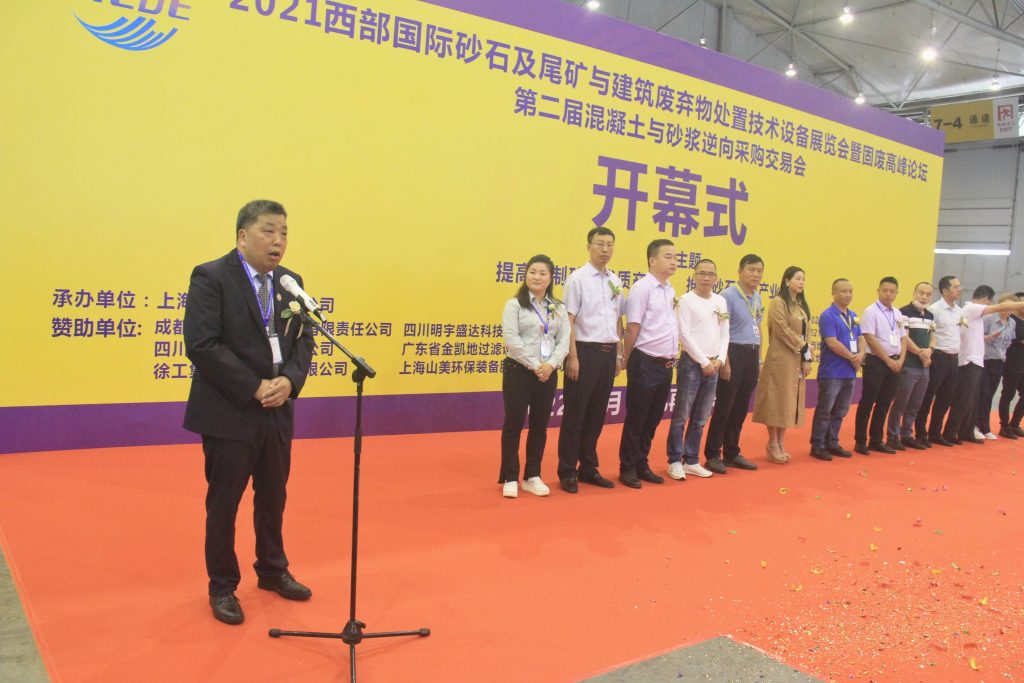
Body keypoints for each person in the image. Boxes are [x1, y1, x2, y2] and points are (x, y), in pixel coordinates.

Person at [183, 200, 315, 626]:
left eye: (284, 232)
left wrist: (289, 381)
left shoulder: (291, 283)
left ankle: (273, 570)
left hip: (277, 409)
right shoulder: (211, 277)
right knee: (225, 503)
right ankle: (222, 585)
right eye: (268, 231)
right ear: (243, 236)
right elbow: (202, 345)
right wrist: (253, 386)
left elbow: (304, 339)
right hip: (230, 411)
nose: (278, 241)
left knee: (274, 495)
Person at [557, 227, 625, 493]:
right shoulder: (578, 279)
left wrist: (618, 354)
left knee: (597, 414)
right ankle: (567, 470)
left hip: (608, 354)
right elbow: (568, 320)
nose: (605, 249)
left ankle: (588, 467)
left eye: (610, 244)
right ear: (589, 246)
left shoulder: (615, 280)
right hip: (584, 352)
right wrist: (572, 356)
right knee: (575, 414)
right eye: (600, 244)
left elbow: (617, 320)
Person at [499, 255, 571, 498]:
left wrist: (550, 365)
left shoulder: (558, 308)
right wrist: (535, 365)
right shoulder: (514, 305)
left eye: (542, 273)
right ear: (525, 275)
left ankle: (532, 476)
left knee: (540, 426)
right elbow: (512, 340)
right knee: (513, 424)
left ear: (550, 278)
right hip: (519, 371)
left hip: (547, 374)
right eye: (532, 272)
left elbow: (563, 341)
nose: (536, 277)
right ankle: (510, 477)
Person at [617, 240, 678, 488]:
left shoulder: (670, 289)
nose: (674, 261)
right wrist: (626, 357)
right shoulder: (642, 288)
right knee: (637, 418)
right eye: (668, 256)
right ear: (652, 260)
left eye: (675, 257)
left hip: (666, 364)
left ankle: (642, 463)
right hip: (645, 361)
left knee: (652, 419)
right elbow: (633, 327)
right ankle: (627, 467)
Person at [666, 258, 730, 479]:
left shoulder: (720, 301)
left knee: (701, 416)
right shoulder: (685, 300)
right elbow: (683, 334)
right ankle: (675, 460)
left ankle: (691, 459)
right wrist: (703, 361)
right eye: (701, 273)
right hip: (692, 363)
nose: (706, 278)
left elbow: (725, 333)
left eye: (710, 274)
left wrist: (720, 359)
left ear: (716, 278)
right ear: (694, 276)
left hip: (714, 364)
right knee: (682, 415)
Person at [703, 254, 764, 474]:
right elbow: (720, 331)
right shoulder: (727, 296)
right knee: (725, 406)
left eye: (759, 271)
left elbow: (758, 328)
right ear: (740, 271)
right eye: (751, 270)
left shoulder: (757, 298)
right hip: (733, 352)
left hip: (752, 354)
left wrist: (759, 359)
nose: (755, 275)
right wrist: (725, 361)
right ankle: (713, 454)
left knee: (740, 407)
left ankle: (732, 452)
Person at [946, 285, 1024, 443]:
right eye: (990, 302)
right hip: (970, 360)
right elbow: (1000, 307)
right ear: (985, 299)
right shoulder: (973, 308)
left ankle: (967, 430)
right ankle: (952, 432)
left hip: (980, 360)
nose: (990, 306)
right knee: (964, 399)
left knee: (974, 399)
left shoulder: (976, 313)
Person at [752, 266, 812, 464]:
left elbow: (807, 335)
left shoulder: (801, 306)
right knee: (777, 401)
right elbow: (782, 329)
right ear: (787, 281)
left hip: (797, 359)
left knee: (788, 401)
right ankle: (772, 443)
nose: (801, 282)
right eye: (797, 278)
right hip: (780, 358)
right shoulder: (778, 302)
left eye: (803, 279)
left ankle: (780, 442)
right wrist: (802, 346)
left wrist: (807, 358)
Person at [809, 278, 863, 461]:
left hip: (850, 371)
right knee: (825, 410)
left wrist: (861, 354)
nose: (848, 295)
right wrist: (852, 357)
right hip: (832, 372)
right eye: (843, 291)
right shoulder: (828, 315)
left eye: (850, 291)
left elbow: (860, 338)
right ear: (833, 293)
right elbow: (832, 343)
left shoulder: (853, 316)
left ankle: (832, 442)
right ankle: (818, 445)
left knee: (841, 410)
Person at [854, 277, 907, 455]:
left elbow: (903, 338)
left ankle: (876, 440)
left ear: (896, 293)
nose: (888, 294)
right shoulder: (871, 311)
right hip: (876, 361)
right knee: (868, 401)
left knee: (885, 402)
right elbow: (870, 338)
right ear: (878, 291)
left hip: (894, 362)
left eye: (892, 291)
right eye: (885, 290)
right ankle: (860, 441)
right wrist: (887, 360)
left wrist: (900, 360)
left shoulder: (897, 313)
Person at [887, 282, 934, 450]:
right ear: (914, 293)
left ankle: (907, 434)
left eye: (928, 294)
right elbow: (904, 338)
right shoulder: (904, 312)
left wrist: (930, 350)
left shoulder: (930, 315)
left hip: (924, 367)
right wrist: (920, 353)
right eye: (921, 293)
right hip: (909, 365)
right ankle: (893, 436)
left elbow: (933, 336)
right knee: (901, 403)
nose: (924, 297)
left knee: (915, 404)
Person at [921, 276, 963, 447]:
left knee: (946, 398)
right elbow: (928, 336)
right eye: (956, 287)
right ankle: (920, 433)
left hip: (954, 358)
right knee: (928, 396)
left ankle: (935, 433)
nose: (960, 289)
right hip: (938, 356)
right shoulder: (934, 310)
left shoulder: (959, 311)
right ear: (945, 290)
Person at [976, 293, 1017, 440]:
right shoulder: (989, 318)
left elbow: (1009, 342)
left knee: (990, 396)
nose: (1006, 309)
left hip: (999, 361)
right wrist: (988, 338)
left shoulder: (1012, 323)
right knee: (983, 394)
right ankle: (975, 426)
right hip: (985, 360)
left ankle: (985, 427)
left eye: (1010, 306)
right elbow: (976, 337)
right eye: (1004, 305)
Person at [998, 293, 1024, 439]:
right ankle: (1004, 425)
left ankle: (1015, 423)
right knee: (1008, 393)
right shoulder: (1012, 320)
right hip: (1012, 362)